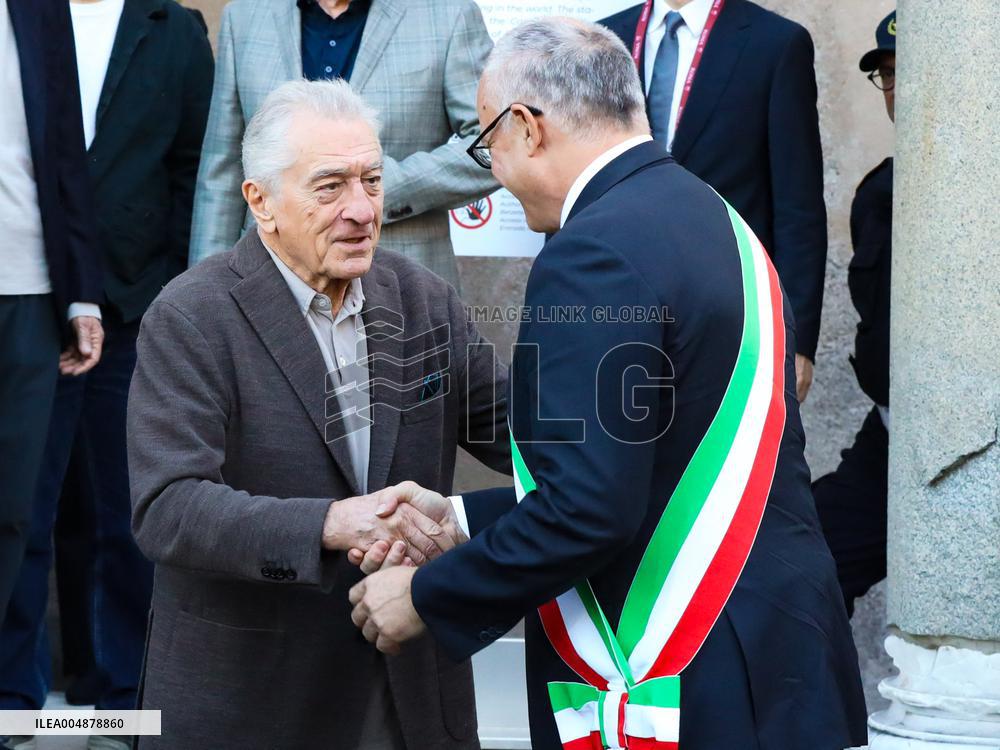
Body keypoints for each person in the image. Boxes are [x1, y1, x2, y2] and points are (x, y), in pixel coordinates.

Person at [349, 18, 868, 750]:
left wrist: (427, 596)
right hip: (779, 658)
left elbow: (588, 510)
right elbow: (648, 469)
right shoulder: (716, 217)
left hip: (694, 681)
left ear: (527, 127)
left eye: (488, 145)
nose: (494, 172)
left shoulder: (591, 254)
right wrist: (460, 521)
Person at [126, 79, 510, 749]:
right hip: (255, 701)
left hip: (408, 697)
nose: (362, 210)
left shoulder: (423, 300)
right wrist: (332, 523)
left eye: (372, 181)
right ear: (261, 201)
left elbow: (524, 436)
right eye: (330, 188)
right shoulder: (191, 316)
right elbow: (168, 508)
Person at [0, 3, 214, 746]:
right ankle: (13, 700)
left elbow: (196, 169)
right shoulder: (27, 16)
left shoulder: (173, 28)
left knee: (128, 519)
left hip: (135, 308)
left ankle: (122, 703)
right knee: (21, 513)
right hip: (38, 300)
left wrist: (174, 295)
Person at [601, 0, 827, 402]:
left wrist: (796, 340)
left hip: (729, 319)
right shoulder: (600, 41)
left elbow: (798, 207)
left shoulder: (775, 44)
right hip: (614, 307)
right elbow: (574, 181)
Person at [188, 0, 499, 288]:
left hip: (399, 280)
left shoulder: (447, 13)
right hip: (270, 276)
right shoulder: (244, 15)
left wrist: (378, 186)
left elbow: (496, 141)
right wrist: (206, 291)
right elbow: (222, 169)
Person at [0, 0, 103, 627]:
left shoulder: (39, 8)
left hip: (29, 292)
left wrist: (81, 294)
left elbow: (66, 153)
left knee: (12, 509)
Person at [814, 10, 896, 618]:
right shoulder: (880, 194)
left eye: (910, 71)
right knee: (811, 556)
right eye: (887, 74)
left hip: (976, 439)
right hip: (893, 434)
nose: (896, 88)